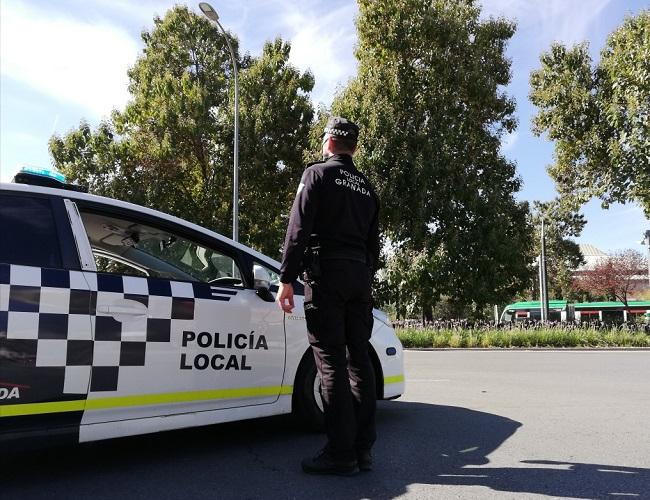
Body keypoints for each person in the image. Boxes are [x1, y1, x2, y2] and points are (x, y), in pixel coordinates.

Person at [276, 116, 380, 476]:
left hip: (327, 276)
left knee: (331, 362)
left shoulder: (316, 174)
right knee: (360, 362)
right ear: (353, 146)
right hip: (359, 279)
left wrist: (286, 278)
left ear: (329, 142)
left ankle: (340, 454)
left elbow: (299, 227)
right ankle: (363, 449)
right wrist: (362, 278)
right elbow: (374, 247)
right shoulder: (367, 188)